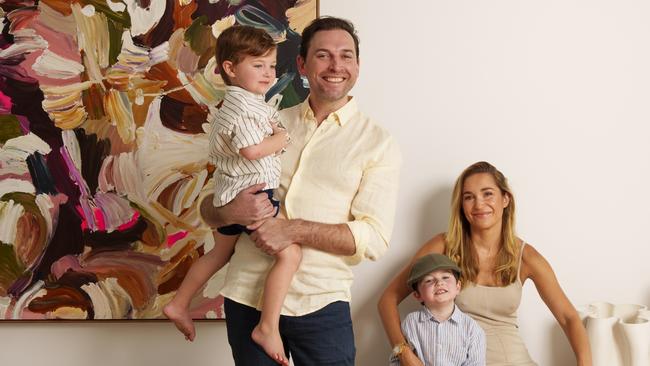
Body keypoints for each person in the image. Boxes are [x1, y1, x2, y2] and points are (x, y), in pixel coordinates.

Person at [199, 16, 401, 365]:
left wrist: (291, 230)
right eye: (323, 55)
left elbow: (373, 238)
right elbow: (210, 207)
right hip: (248, 296)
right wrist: (231, 212)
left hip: (321, 302)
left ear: (358, 65)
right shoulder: (266, 121)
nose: (336, 65)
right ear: (302, 64)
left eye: (346, 55)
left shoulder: (378, 143)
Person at [163, 25, 296, 365]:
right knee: (290, 255)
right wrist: (281, 140)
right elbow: (252, 151)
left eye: (271, 65)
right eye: (258, 65)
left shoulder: (244, 102)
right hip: (253, 193)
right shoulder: (243, 108)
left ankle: (179, 302)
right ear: (230, 68)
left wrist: (276, 131)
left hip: (229, 192)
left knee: (218, 253)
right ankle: (267, 326)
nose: (268, 73)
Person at [378, 161, 592, 366]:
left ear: (505, 199)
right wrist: (403, 353)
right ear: (461, 206)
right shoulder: (443, 247)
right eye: (469, 197)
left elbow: (568, 317)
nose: (479, 204)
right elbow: (388, 299)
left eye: (488, 194)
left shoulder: (526, 257)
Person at [390, 253, 486, 366]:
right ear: (417, 295)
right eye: (429, 280)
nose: (439, 283)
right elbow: (396, 360)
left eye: (445, 277)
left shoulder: (472, 329)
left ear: (458, 287)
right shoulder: (411, 323)